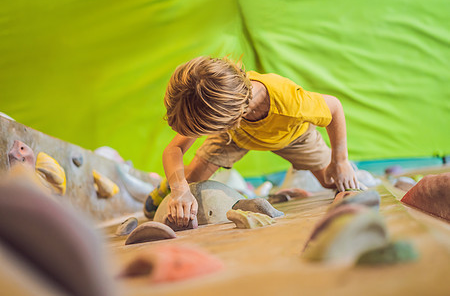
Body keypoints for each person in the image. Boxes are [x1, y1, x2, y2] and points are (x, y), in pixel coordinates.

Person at [144, 56, 359, 227]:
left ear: (231, 116)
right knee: (191, 180)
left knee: (333, 181)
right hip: (234, 136)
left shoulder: (291, 102)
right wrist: (179, 188)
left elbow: (334, 107)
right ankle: (166, 185)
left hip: (294, 136)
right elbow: (174, 148)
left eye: (205, 131)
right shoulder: (212, 101)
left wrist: (340, 161)